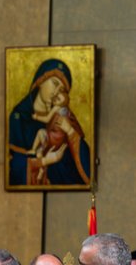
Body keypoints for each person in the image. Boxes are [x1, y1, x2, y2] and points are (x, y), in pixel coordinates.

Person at [7, 59, 91, 187]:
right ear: (40, 80)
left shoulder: (63, 118)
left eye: (61, 89)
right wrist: (45, 161)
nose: (56, 92)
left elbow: (85, 165)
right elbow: (15, 168)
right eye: (54, 83)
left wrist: (70, 131)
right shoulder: (19, 118)